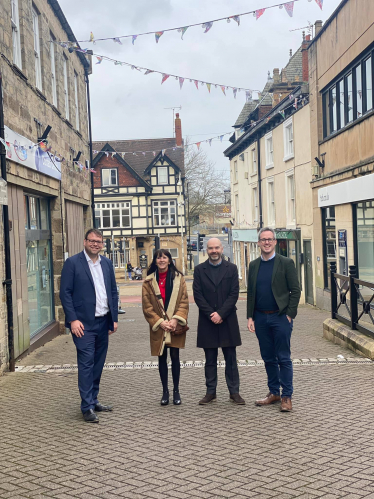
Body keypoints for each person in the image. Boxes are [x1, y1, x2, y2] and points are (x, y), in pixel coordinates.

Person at [60, 228, 118, 423]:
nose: (95, 244)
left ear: (102, 244)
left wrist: (114, 318)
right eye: (92, 241)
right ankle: (86, 407)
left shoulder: (107, 263)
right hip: (83, 324)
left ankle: (93, 400)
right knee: (86, 363)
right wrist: (72, 319)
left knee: (98, 363)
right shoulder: (73, 263)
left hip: (103, 322)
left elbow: (112, 291)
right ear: (85, 242)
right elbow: (65, 293)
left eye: (99, 241)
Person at [247, 227, 301, 412]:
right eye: (263, 239)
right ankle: (274, 392)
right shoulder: (253, 265)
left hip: (280, 317)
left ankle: (286, 396)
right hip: (261, 317)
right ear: (259, 243)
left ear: (275, 242)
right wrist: (250, 316)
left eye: (270, 239)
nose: (267, 242)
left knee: (283, 358)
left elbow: (296, 290)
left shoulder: (286, 263)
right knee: (268, 358)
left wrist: (290, 314)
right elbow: (251, 293)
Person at [193, 238, 245, 405]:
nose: (214, 251)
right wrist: (211, 314)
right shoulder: (200, 270)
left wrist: (221, 314)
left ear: (222, 249)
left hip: (227, 319)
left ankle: (234, 392)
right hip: (207, 320)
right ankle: (211, 392)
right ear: (206, 250)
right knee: (209, 359)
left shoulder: (232, 269)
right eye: (210, 248)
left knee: (231, 358)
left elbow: (234, 294)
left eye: (216, 248)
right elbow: (198, 295)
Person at [142, 250, 189, 406]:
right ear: (155, 261)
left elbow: (184, 301)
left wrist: (175, 320)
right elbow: (147, 306)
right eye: (158, 257)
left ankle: (176, 391)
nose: (161, 260)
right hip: (159, 326)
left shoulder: (179, 279)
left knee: (175, 357)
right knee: (161, 357)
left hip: (174, 325)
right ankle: (165, 392)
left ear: (169, 260)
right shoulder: (148, 281)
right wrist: (160, 322)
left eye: (164, 257)